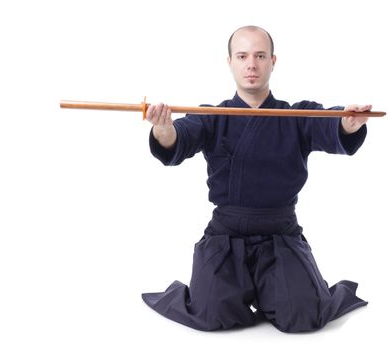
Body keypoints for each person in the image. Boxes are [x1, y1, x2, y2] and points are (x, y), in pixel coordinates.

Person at [142, 25, 372, 333]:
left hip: (281, 235)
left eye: (260, 55)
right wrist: (164, 129)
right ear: (230, 62)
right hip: (226, 235)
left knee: (302, 315)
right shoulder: (211, 116)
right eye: (243, 56)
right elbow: (179, 138)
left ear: (273, 61)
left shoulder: (297, 116)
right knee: (212, 314)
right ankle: (241, 291)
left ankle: (274, 290)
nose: (252, 64)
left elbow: (331, 125)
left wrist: (348, 123)